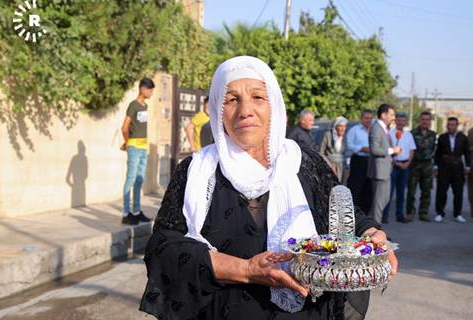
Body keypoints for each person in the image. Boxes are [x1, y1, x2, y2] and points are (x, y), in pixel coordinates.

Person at [139, 56, 397, 320]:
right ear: (218, 109)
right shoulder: (195, 171)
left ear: (274, 104)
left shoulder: (304, 162)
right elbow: (162, 249)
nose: (245, 110)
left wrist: (371, 232)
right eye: (232, 99)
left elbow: (344, 214)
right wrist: (246, 270)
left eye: (258, 98)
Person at [120, 77, 155, 225]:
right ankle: (126, 213)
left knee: (140, 180)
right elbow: (124, 127)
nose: (151, 93)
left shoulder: (145, 106)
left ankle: (136, 211)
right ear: (142, 89)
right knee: (131, 178)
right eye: (150, 89)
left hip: (143, 147)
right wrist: (127, 143)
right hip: (134, 146)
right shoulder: (133, 105)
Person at [368, 104, 402, 224]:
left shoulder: (384, 128)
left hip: (386, 171)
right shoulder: (376, 128)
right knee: (378, 203)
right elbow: (375, 149)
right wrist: (392, 150)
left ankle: (376, 230)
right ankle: (375, 232)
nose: (393, 117)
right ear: (383, 115)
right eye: (391, 114)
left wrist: (393, 153)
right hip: (379, 172)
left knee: (385, 200)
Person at [434, 117, 471, 223]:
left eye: (453, 125)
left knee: (458, 192)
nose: (451, 127)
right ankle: (440, 213)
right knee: (441, 191)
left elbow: (467, 153)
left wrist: (468, 166)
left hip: (458, 168)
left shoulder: (463, 138)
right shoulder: (442, 137)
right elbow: (438, 153)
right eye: (449, 125)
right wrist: (436, 166)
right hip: (444, 167)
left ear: (457, 125)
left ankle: (457, 214)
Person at [382, 112, 416, 224]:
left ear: (406, 122)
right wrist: (395, 162)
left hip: (405, 166)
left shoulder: (409, 135)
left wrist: (408, 163)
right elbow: (387, 150)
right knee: (389, 192)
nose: (401, 123)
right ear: (395, 121)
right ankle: (384, 216)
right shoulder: (389, 134)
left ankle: (400, 215)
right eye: (399, 120)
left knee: (401, 193)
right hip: (393, 165)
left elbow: (411, 150)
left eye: (403, 121)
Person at [406, 111, 436, 222]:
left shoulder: (433, 134)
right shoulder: (412, 133)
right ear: (420, 120)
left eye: (427, 120)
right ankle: (410, 213)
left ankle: (423, 213)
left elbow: (434, 149)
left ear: (429, 121)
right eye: (423, 119)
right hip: (415, 165)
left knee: (426, 191)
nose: (425, 122)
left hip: (427, 166)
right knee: (411, 191)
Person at [346, 110, 374, 214]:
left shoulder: (373, 130)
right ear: (361, 118)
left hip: (371, 161)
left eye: (371, 118)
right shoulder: (354, 130)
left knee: (369, 188)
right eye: (366, 118)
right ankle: (354, 213)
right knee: (356, 187)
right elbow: (349, 145)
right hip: (358, 160)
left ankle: (366, 213)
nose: (369, 121)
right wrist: (361, 148)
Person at [319, 116, 348, 182]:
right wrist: (329, 166)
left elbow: (347, 153)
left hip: (342, 167)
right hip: (330, 165)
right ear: (335, 127)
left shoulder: (345, 137)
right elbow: (321, 152)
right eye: (340, 126)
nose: (343, 128)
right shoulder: (328, 135)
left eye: (344, 126)